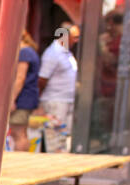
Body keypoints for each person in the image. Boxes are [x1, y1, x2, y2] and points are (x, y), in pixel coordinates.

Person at [38, 22, 79, 152]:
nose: (77, 40)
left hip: (67, 100)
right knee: (55, 139)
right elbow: (42, 79)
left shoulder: (67, 53)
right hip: (55, 100)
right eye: (75, 37)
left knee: (66, 137)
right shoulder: (52, 53)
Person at [9, 29, 41, 151]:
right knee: (20, 133)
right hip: (27, 97)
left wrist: (12, 99)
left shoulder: (24, 52)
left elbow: (20, 78)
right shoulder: (29, 51)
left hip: (23, 98)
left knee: (18, 133)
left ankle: (18, 162)